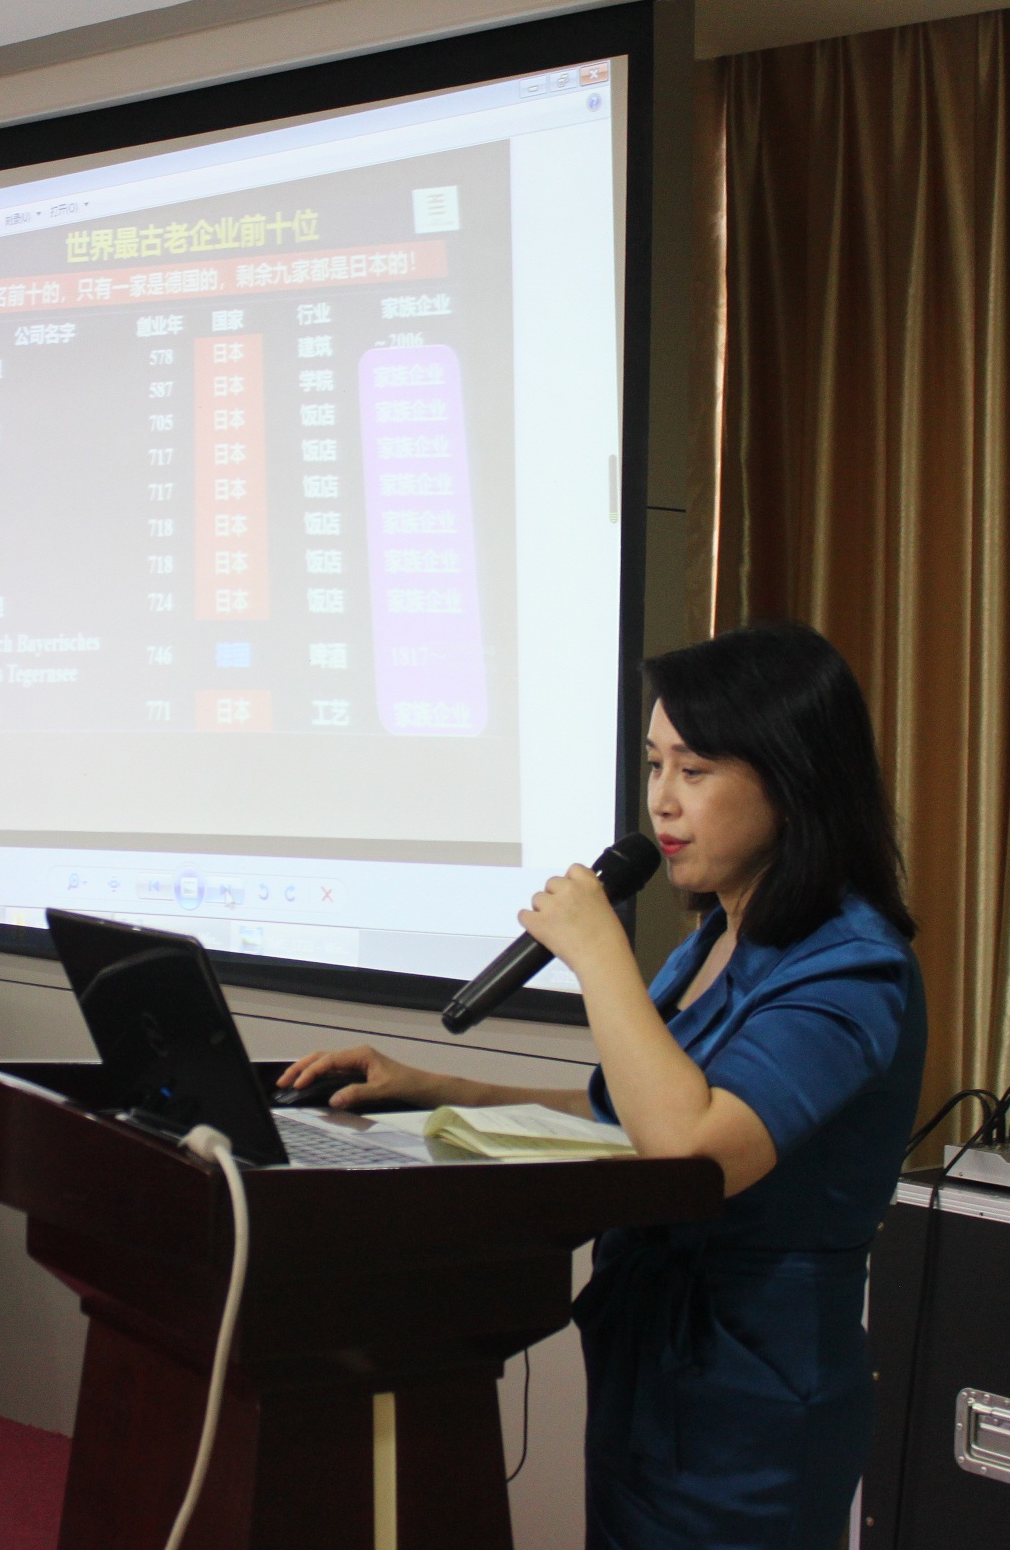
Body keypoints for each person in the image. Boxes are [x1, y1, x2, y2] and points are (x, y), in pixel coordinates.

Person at [279, 621, 926, 1550]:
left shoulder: (852, 967)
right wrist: (430, 1089)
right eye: (655, 765)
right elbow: (621, 1117)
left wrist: (599, 955)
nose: (661, 800)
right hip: (648, 1366)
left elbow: (693, 1152)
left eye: (694, 770)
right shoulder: (718, 939)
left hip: (755, 1395)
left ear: (793, 780)